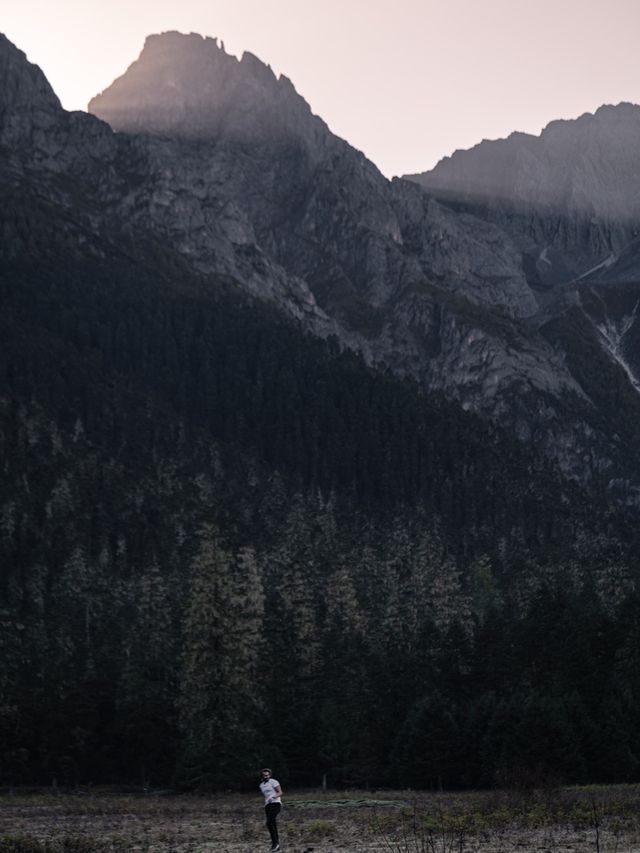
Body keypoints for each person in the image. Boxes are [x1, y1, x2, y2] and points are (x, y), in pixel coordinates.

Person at [259, 767, 283, 852]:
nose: (266, 776)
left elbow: (280, 792)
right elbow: (266, 795)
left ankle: (275, 843)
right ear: (262, 776)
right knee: (273, 824)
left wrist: (273, 797)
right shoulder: (261, 785)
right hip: (267, 805)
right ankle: (276, 846)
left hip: (275, 803)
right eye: (264, 775)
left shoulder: (273, 781)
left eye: (268, 775)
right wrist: (267, 802)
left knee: (269, 822)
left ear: (270, 775)